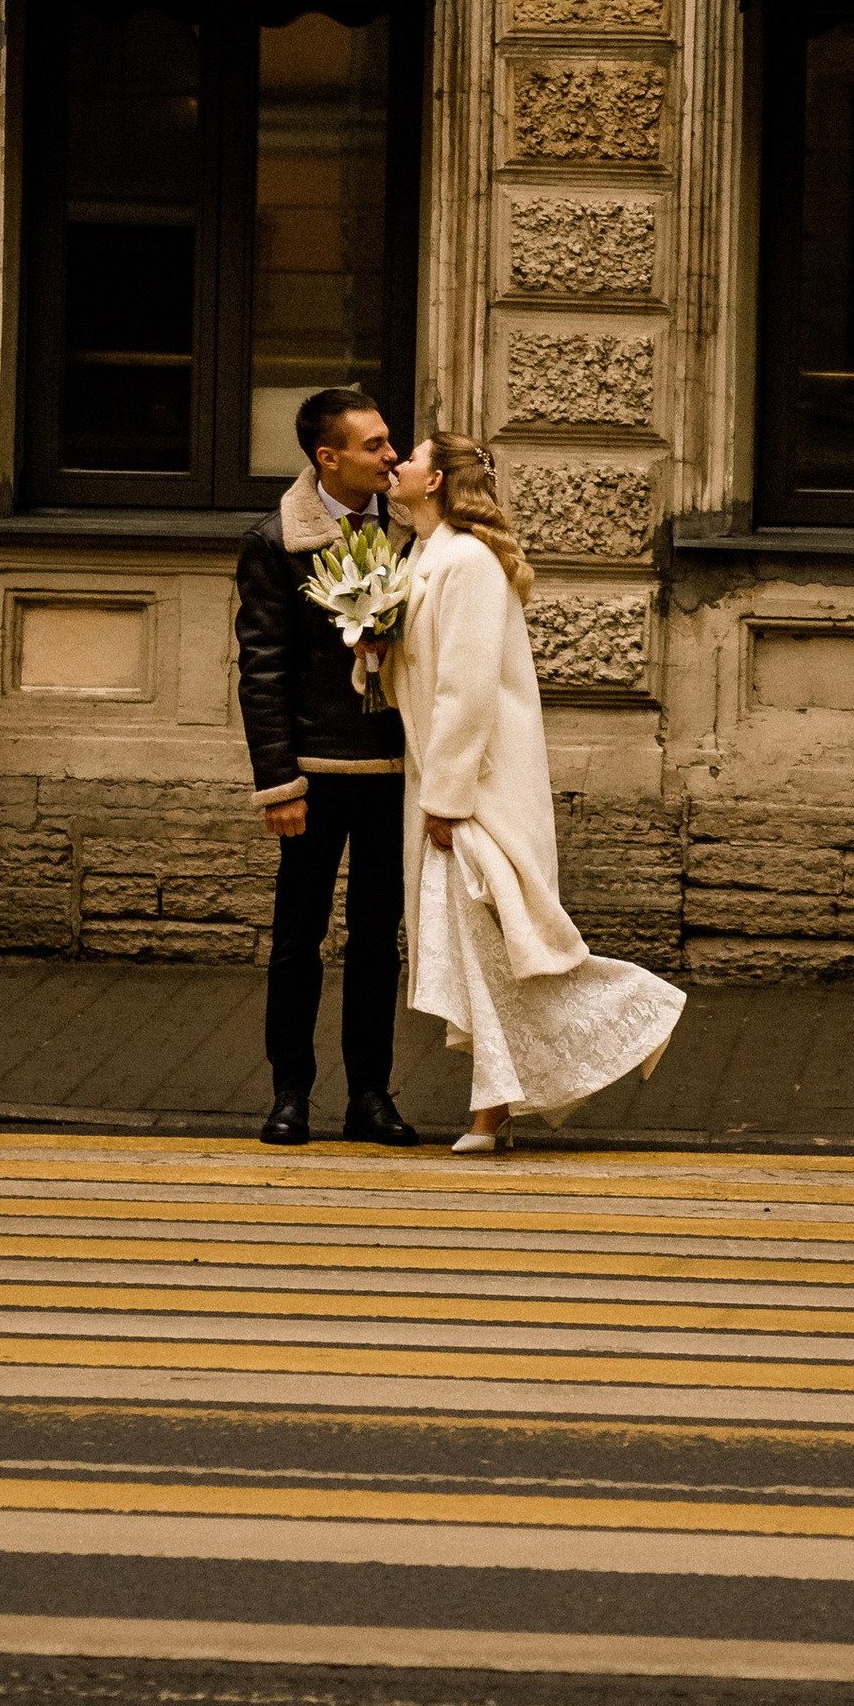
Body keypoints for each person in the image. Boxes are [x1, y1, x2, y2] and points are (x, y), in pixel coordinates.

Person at [385, 434, 684, 1154]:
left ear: (435, 483)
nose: (396, 464)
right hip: (445, 789)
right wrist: (369, 657)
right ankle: (497, 1108)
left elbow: (468, 690)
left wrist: (448, 801)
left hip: (474, 794)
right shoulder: (423, 557)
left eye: (412, 456)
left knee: (495, 948)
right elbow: (417, 675)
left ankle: (636, 1009)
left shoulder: (467, 561)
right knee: (477, 952)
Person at [234, 384, 421, 1150]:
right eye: (375, 446)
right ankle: (290, 1095)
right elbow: (262, 668)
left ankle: (371, 1097)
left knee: (380, 941)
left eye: (389, 442)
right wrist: (278, 784)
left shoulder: (414, 534)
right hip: (313, 773)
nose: (392, 456)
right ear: (327, 457)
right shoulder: (277, 540)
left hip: (392, 772)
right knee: (296, 940)